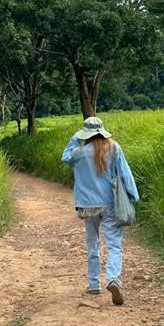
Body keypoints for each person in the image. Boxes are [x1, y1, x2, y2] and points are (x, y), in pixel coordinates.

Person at [61, 116, 139, 305]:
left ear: (85, 134)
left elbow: (65, 157)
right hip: (110, 203)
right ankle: (113, 279)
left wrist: (75, 138)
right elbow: (125, 174)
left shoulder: (79, 153)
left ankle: (94, 284)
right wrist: (133, 196)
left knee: (92, 243)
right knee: (114, 245)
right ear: (103, 131)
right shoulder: (114, 148)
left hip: (87, 205)